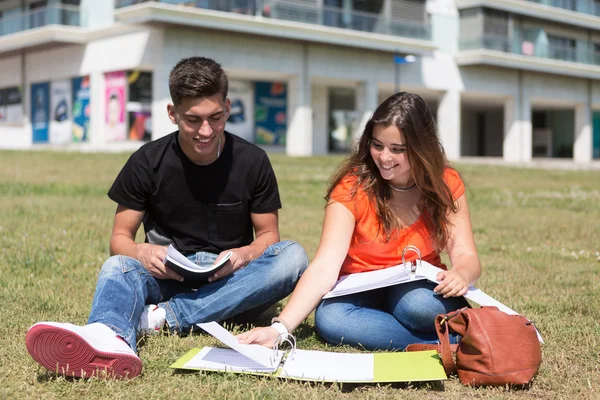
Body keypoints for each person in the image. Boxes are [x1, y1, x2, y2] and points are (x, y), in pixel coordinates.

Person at [25, 57, 308, 379]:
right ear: (172, 114)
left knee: (293, 257)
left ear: (228, 107)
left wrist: (244, 254)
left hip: (231, 284)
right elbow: (118, 240)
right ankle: (111, 338)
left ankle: (161, 318)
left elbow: (269, 236)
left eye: (216, 117)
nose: (206, 131)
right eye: (193, 120)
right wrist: (142, 251)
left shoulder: (253, 160)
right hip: (167, 276)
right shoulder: (147, 161)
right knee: (116, 266)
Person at [238, 92, 481, 351]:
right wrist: (280, 328)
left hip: (416, 287)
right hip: (359, 288)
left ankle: (441, 334)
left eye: (398, 149)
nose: (384, 158)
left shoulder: (445, 183)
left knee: (418, 306)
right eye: (377, 145)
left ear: (422, 147)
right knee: (330, 320)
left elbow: (466, 254)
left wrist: (461, 275)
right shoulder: (352, 189)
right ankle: (446, 344)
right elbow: (323, 267)